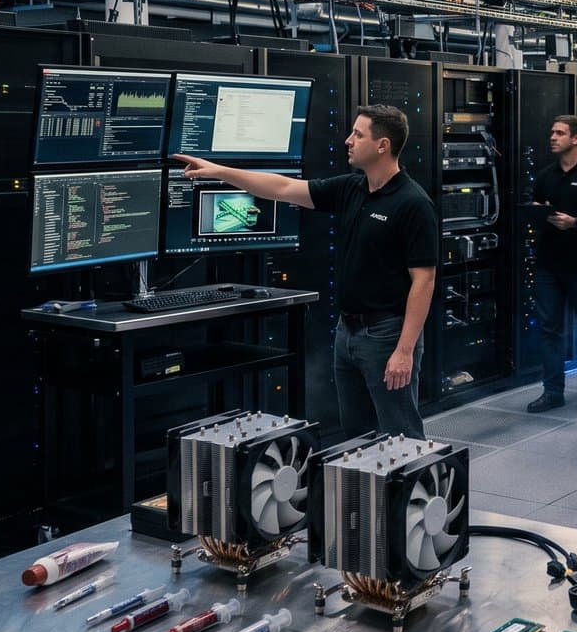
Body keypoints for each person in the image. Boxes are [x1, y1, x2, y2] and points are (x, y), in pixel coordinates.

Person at [173, 104, 437, 438]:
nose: (348, 141)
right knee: (358, 436)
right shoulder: (351, 188)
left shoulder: (413, 203)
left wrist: (404, 350)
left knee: (401, 436)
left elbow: (424, 281)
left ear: (382, 145)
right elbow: (282, 188)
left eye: (358, 135)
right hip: (348, 331)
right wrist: (218, 171)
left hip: (387, 335)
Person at [525, 115, 577, 412]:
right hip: (549, 265)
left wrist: (575, 222)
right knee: (549, 329)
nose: (553, 137)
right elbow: (537, 207)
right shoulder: (546, 176)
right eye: (552, 132)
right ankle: (552, 391)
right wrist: (537, 213)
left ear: (576, 138)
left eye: (559, 133)